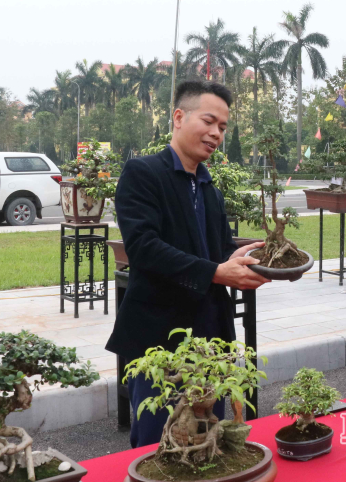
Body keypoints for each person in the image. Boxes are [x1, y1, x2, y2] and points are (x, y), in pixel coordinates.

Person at [105, 81, 269, 448]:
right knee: (160, 446)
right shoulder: (143, 173)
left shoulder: (209, 188)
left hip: (210, 339)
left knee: (207, 441)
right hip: (158, 341)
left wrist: (242, 261)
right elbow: (144, 248)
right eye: (209, 122)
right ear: (179, 117)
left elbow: (219, 250)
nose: (216, 134)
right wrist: (216, 272)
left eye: (223, 127)